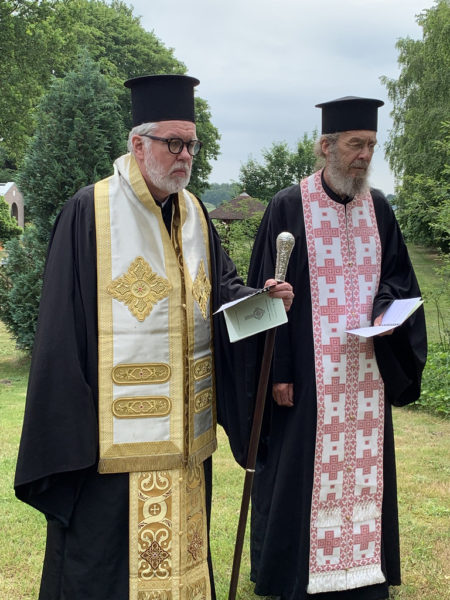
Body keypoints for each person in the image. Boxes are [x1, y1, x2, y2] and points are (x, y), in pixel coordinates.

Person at [14, 74, 293, 600]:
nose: (185, 156)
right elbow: (60, 332)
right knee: (105, 570)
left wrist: (264, 304)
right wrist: (71, 434)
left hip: (185, 440)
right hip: (110, 446)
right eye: (174, 143)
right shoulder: (90, 211)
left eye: (191, 145)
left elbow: (221, 298)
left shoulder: (195, 214)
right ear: (138, 144)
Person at [245, 96, 427, 600]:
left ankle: (363, 576)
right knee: (298, 473)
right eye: (354, 145)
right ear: (325, 147)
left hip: (365, 374)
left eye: (371, 145)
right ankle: (296, 577)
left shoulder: (379, 207)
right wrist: (280, 370)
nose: (364, 155)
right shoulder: (288, 205)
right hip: (309, 375)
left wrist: (385, 314)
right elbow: (268, 291)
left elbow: (398, 278)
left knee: (366, 474)